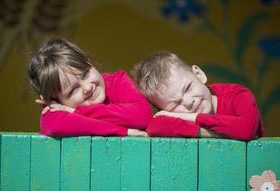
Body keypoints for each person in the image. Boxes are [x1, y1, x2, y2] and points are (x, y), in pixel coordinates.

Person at [28, 39, 152, 137]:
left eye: (86, 73)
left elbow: (142, 116)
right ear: (56, 101)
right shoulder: (56, 112)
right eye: (73, 90)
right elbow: (52, 124)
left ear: (89, 62)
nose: (87, 87)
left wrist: (77, 113)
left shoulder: (117, 81)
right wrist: (122, 131)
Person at [134, 51, 264, 141]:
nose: (188, 102)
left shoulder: (237, 94)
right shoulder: (170, 116)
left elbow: (246, 129)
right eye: (175, 104)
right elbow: (155, 126)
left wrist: (185, 116)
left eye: (188, 88)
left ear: (198, 74)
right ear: (164, 111)